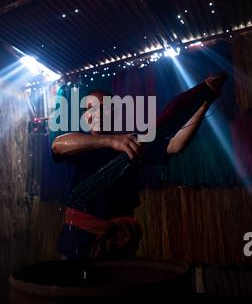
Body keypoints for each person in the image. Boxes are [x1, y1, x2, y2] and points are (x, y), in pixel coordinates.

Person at [52, 72, 227, 259]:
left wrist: (204, 103)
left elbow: (176, 145)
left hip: (119, 243)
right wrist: (111, 141)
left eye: (103, 108)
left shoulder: (132, 145)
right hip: (78, 244)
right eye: (89, 109)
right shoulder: (80, 145)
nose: (97, 114)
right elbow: (58, 145)